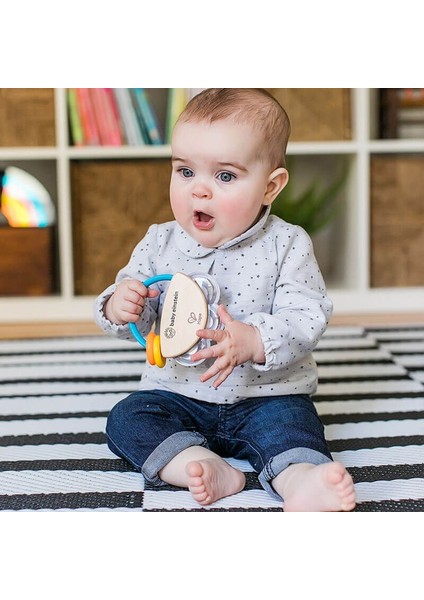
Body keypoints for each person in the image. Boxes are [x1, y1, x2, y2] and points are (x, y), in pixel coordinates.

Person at [94, 88, 356, 511]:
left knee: (294, 429)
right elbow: (135, 312)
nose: (200, 191)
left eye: (225, 176)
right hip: (177, 392)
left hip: (267, 396)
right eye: (185, 172)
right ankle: (197, 462)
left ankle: (302, 481)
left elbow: (307, 314)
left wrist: (254, 340)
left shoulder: (286, 244)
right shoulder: (160, 242)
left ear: (270, 187)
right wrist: (122, 307)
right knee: (127, 419)